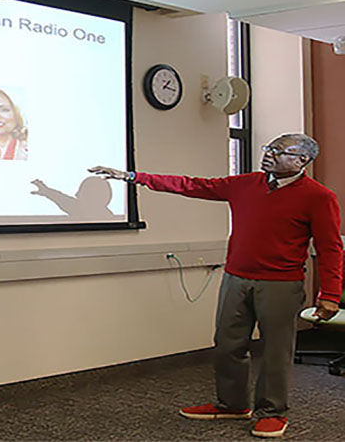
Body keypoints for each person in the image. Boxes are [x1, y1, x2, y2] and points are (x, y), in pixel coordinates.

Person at [89, 133, 343, 439]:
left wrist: (329, 294)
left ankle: (272, 412)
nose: (268, 154)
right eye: (268, 148)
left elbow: (330, 248)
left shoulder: (318, 196)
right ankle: (232, 404)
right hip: (235, 278)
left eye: (278, 151)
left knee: (276, 351)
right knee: (227, 344)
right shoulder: (246, 183)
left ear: (302, 160)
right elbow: (192, 185)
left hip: (280, 284)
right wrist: (134, 177)